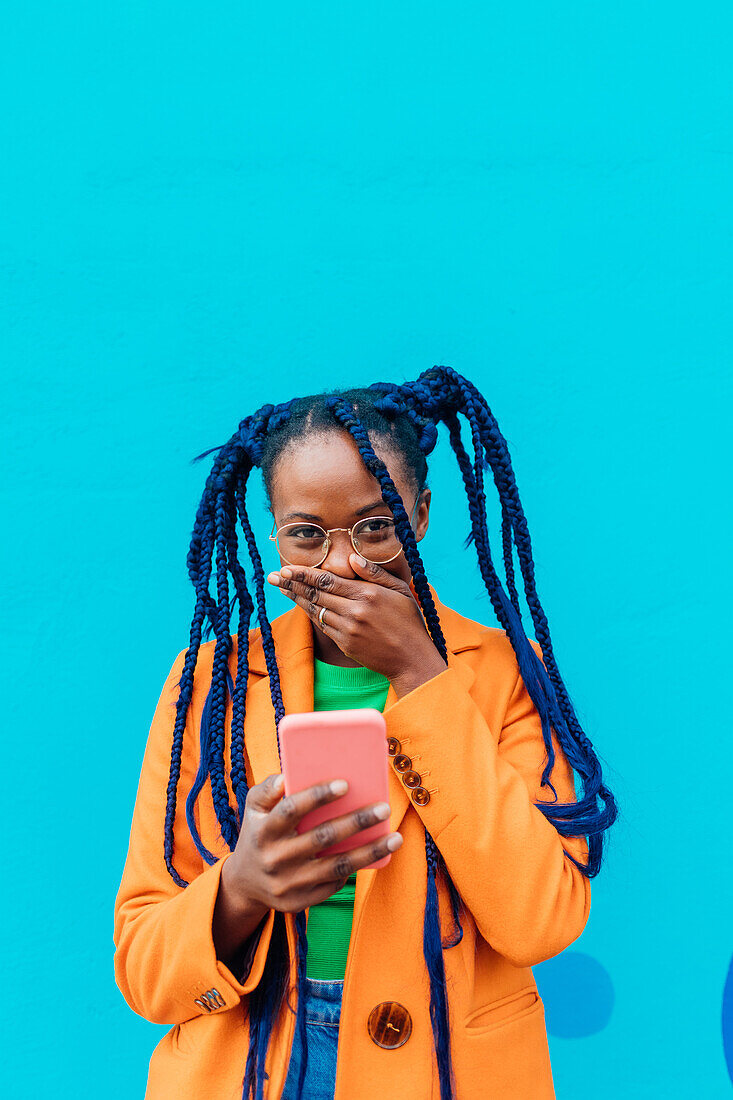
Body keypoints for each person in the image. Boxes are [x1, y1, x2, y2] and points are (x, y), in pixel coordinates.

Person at [113, 366, 617, 1100]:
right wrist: (241, 888)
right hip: (250, 1065)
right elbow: (144, 970)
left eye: (375, 527)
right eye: (306, 535)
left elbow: (540, 920)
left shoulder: (508, 673)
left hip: (450, 1068)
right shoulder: (209, 685)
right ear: (273, 529)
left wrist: (419, 671)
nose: (344, 561)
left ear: (420, 516)